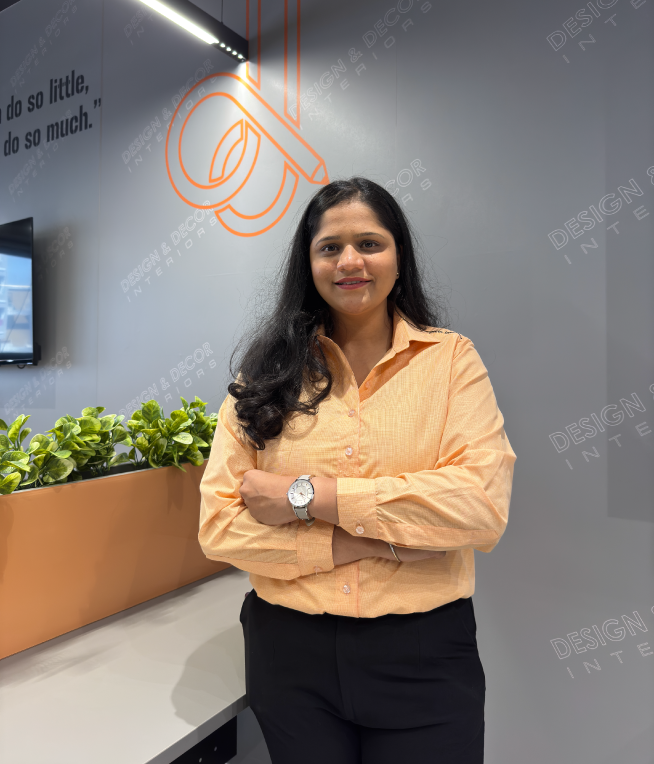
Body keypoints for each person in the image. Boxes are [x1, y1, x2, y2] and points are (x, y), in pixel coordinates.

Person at [199, 177, 516, 763]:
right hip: (288, 653)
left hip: (423, 655)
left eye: (369, 243)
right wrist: (365, 541)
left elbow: (480, 507)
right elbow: (218, 527)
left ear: (399, 255)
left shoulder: (451, 361)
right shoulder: (265, 376)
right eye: (330, 247)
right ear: (309, 261)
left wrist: (307, 495)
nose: (350, 261)